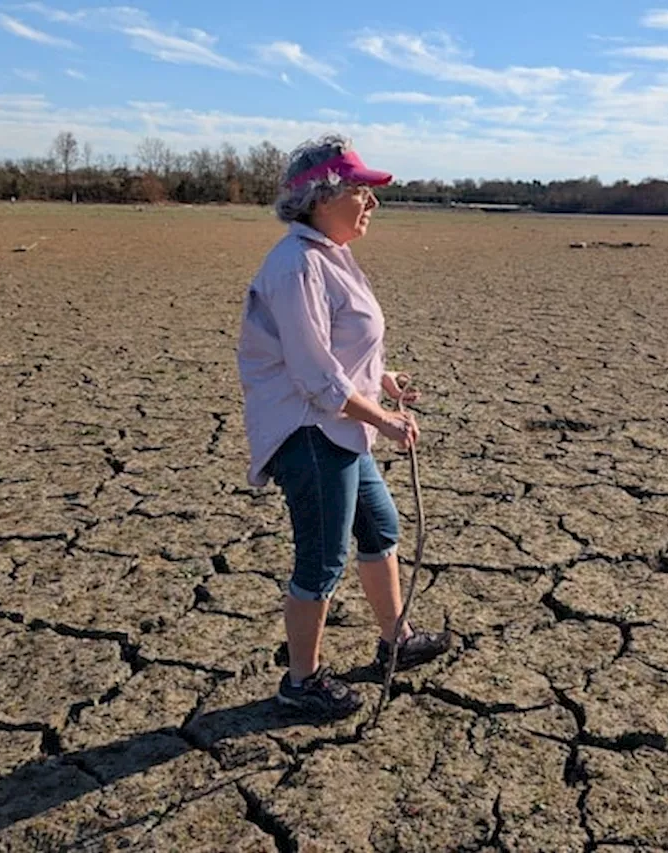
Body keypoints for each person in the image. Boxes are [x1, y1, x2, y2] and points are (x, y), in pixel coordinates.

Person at [237, 135, 450, 719]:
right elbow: (315, 375)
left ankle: (395, 642)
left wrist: (386, 379)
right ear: (321, 197)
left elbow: (347, 351)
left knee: (380, 529)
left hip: (338, 426)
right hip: (309, 432)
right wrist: (383, 419)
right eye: (360, 190)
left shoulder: (330, 255)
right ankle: (301, 682)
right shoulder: (297, 264)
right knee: (321, 561)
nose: (370, 203)